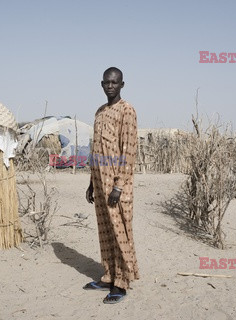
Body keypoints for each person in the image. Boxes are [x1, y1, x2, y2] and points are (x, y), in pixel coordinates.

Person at [84, 67, 139, 304]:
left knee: (120, 232)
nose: (110, 86)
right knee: (105, 231)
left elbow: (129, 151)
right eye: (106, 83)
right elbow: (96, 149)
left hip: (117, 184)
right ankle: (108, 276)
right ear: (101, 84)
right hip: (99, 180)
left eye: (114, 83)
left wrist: (118, 186)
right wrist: (91, 183)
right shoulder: (99, 112)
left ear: (122, 85)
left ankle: (121, 283)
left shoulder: (127, 110)